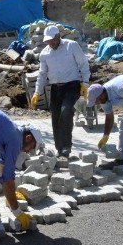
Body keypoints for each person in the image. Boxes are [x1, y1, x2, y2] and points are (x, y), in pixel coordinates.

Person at [31, 25, 91, 158]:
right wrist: (36, 92)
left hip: (72, 85)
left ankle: (66, 147)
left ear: (58, 36)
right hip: (55, 89)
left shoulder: (72, 46)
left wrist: (85, 83)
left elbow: (83, 63)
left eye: (52, 40)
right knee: (55, 117)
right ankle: (59, 149)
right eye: (47, 41)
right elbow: (42, 74)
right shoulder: (45, 53)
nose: (50, 43)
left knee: (66, 112)